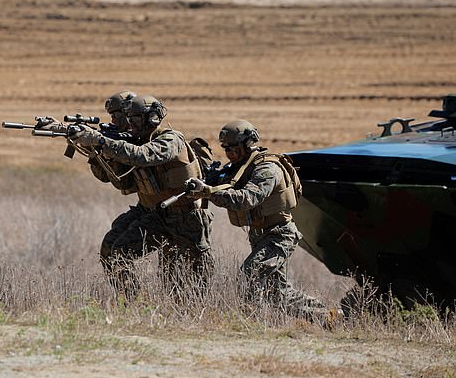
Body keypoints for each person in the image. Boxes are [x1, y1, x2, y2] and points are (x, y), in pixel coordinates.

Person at [71, 95, 214, 300]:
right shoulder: (135, 140)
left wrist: (101, 140)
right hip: (156, 215)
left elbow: (144, 155)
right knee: (116, 253)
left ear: (153, 118)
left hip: (185, 219)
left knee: (182, 282)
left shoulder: (170, 139)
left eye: (136, 119)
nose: (130, 124)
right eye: (128, 119)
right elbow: (120, 181)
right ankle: (133, 302)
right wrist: (94, 150)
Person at [186, 120, 328, 318]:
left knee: (249, 275)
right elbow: (223, 188)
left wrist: (208, 192)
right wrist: (206, 184)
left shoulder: (267, 169)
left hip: (279, 235)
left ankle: (250, 323)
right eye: (226, 149)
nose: (229, 154)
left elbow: (248, 199)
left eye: (234, 149)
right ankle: (327, 317)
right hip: (260, 235)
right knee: (278, 293)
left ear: (247, 144)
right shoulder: (238, 167)